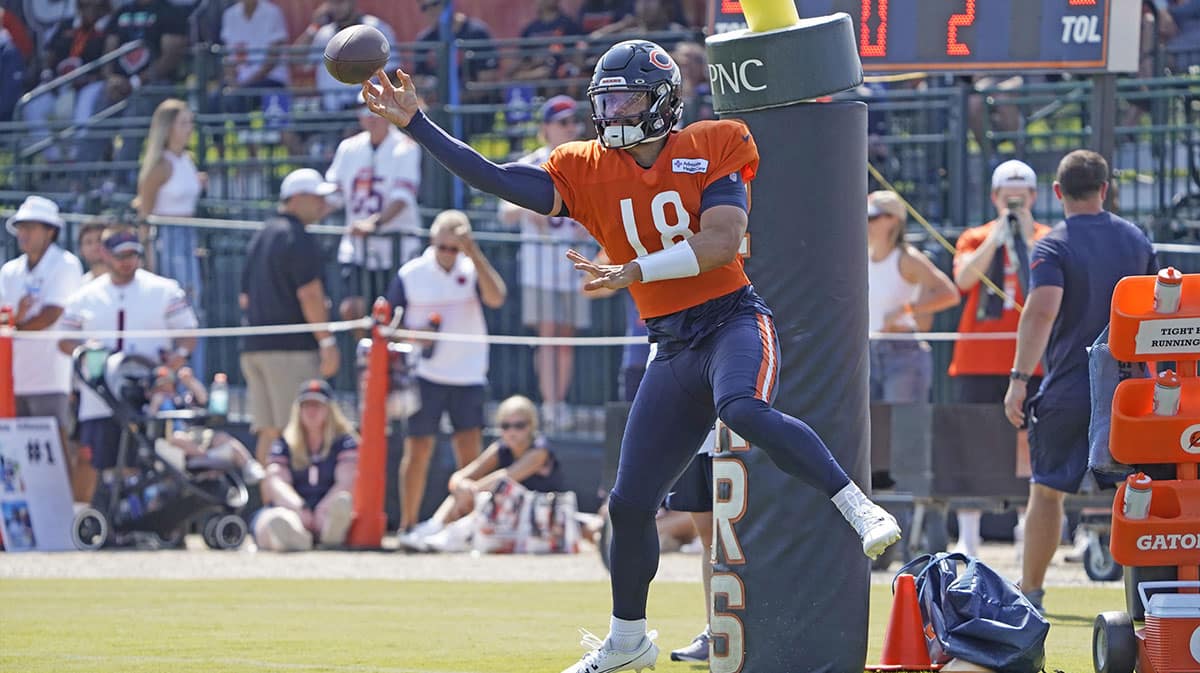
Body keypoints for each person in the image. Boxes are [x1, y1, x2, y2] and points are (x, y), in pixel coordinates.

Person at [361, 39, 901, 673]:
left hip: (731, 320)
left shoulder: (714, 143)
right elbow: (500, 179)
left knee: (742, 407)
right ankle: (628, 642)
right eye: (607, 100)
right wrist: (418, 125)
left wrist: (634, 270)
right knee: (628, 502)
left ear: (662, 102)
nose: (613, 111)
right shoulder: (584, 166)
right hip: (671, 343)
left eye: (627, 98)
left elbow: (722, 244)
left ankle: (856, 505)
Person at [1004, 150, 1158, 613]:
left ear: (1057, 192)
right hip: (1128, 388)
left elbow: (1042, 309)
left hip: (1071, 386)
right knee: (1140, 491)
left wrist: (1017, 378)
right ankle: (1147, 594)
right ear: (1105, 188)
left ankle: (1031, 593)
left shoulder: (1053, 243)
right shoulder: (1136, 239)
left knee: (1046, 491)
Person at [948, 159, 1050, 557]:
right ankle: (968, 534)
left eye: (1021, 195)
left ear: (1034, 197)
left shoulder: (1046, 237)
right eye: (1008, 195)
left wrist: (1025, 237)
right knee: (973, 444)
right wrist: (997, 238)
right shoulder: (975, 237)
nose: (1014, 201)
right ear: (993, 197)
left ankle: (1030, 527)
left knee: (1031, 445)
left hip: (1031, 360)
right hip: (977, 357)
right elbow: (964, 280)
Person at [387, 210, 506, 541]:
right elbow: (387, 327)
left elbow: (496, 297)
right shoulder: (411, 273)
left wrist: (474, 251)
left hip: (468, 373)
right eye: (444, 247)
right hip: (424, 373)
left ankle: (466, 527)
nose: (449, 254)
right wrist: (416, 335)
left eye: (456, 248)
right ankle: (407, 525)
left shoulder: (471, 268)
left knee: (469, 453)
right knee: (418, 448)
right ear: (432, 242)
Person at [57, 227, 199, 480]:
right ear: (105, 254)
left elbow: (188, 332)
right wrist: (86, 352)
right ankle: (105, 516)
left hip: (148, 397)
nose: (127, 262)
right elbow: (64, 340)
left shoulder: (164, 289)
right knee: (101, 466)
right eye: (120, 256)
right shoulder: (84, 295)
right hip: (100, 396)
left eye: (133, 255)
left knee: (149, 465)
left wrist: (180, 356)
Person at [498, 96, 591, 431]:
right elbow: (505, 212)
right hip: (540, 267)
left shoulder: (586, 162)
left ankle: (560, 403)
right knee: (547, 336)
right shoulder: (531, 163)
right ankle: (550, 404)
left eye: (572, 122)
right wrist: (529, 209)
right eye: (562, 123)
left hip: (574, 267)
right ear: (546, 129)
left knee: (565, 338)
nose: (570, 129)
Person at [240, 168, 341, 466]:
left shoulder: (261, 235)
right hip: (290, 352)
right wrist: (327, 341)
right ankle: (292, 507)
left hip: (254, 351)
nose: (324, 205)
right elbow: (309, 294)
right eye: (317, 197)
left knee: (270, 434)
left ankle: (269, 505)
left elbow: (243, 298)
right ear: (297, 199)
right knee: (300, 433)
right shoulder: (297, 237)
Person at [404, 394, 566, 552]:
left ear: (531, 426)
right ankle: (435, 526)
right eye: (505, 426)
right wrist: (462, 486)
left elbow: (505, 477)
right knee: (471, 491)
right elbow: (461, 475)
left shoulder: (540, 450)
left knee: (491, 494)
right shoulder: (500, 448)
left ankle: (454, 535)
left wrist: (471, 490)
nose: (512, 431)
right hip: (509, 519)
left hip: (543, 516)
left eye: (519, 425)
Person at [0, 196, 84, 474]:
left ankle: (65, 512)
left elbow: (52, 314)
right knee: (17, 452)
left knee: (55, 446)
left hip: (51, 376)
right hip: (12, 377)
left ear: (50, 231)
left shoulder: (66, 264)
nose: (23, 234)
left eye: (31, 227)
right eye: (21, 227)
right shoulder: (10, 270)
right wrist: (16, 321)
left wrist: (15, 325)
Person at [325, 99, 423, 324]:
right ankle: (364, 357)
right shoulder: (348, 148)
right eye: (366, 110)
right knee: (352, 309)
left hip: (396, 249)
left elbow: (402, 198)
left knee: (392, 314)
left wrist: (374, 223)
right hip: (357, 249)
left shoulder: (405, 147)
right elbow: (334, 193)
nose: (372, 116)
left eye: (377, 110)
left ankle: (389, 359)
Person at [866, 190, 959, 404]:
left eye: (872, 217)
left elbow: (949, 293)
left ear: (893, 220)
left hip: (903, 352)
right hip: (870, 350)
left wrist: (906, 310)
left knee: (905, 431)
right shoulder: (864, 257)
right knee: (872, 432)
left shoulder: (907, 258)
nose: (866, 223)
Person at [135, 98, 205, 373]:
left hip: (187, 239)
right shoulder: (160, 166)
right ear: (168, 127)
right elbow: (145, 212)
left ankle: (194, 375)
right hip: (167, 241)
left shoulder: (186, 160)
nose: (189, 128)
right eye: (183, 122)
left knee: (193, 310)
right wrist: (148, 256)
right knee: (175, 308)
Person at [254, 379, 357, 551]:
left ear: (329, 410)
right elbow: (277, 480)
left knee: (341, 508)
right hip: (294, 509)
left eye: (317, 405)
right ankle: (294, 538)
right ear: (298, 410)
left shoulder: (344, 442)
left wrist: (322, 509)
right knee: (271, 520)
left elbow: (347, 481)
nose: (311, 411)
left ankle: (330, 534)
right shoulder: (284, 442)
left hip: (328, 507)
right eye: (306, 405)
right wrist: (300, 507)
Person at [21, 0, 112, 161]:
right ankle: (53, 157)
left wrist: (91, 78)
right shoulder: (67, 24)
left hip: (91, 83)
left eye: (96, 6)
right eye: (85, 6)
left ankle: (78, 157)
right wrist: (48, 73)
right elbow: (49, 54)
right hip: (60, 83)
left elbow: (110, 61)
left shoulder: (109, 27)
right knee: (31, 104)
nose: (90, 10)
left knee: (86, 105)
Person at [148, 365, 265, 486]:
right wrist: (155, 403)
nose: (166, 390)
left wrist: (190, 381)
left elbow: (202, 398)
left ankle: (249, 465)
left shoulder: (180, 400)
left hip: (194, 435)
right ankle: (205, 457)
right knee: (178, 438)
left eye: (168, 386)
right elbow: (149, 421)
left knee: (222, 437)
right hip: (172, 441)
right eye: (161, 387)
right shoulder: (153, 405)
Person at [294, 0, 398, 113]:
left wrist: (372, 102)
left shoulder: (375, 27)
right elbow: (296, 61)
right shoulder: (323, 33)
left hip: (365, 110)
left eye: (340, 2)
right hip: (329, 112)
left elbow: (391, 73)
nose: (336, 7)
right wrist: (314, 27)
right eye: (332, 3)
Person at [217, 0, 290, 112]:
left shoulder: (273, 13)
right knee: (214, 98)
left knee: (239, 97)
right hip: (239, 81)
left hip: (270, 79)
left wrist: (242, 86)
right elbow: (228, 56)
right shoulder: (229, 14)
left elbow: (272, 59)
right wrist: (232, 83)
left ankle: (243, 129)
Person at [77, 217, 111, 283]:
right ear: (81, 250)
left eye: (99, 240)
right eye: (88, 242)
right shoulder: (79, 287)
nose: (95, 246)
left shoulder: (127, 280)